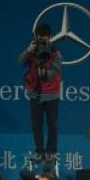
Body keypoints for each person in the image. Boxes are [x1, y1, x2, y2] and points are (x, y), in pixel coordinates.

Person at [18, 24, 62, 164]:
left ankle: (51, 152)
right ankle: (39, 152)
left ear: (50, 38)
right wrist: (28, 50)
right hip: (35, 93)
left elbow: (55, 72)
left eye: (44, 39)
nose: (42, 42)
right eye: (39, 39)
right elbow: (20, 62)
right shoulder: (32, 51)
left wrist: (45, 73)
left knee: (52, 125)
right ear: (36, 38)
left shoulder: (56, 53)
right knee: (36, 125)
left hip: (51, 94)